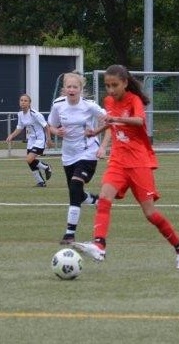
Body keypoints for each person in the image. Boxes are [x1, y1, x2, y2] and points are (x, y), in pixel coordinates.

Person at [72, 65, 179, 270]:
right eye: (107, 86)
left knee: (150, 213)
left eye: (115, 85)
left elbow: (138, 120)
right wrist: (97, 131)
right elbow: (111, 123)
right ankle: (99, 245)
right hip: (118, 161)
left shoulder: (134, 100)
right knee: (104, 199)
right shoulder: (108, 101)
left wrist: (115, 118)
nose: (110, 90)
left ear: (125, 83)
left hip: (138, 162)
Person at [47, 71, 106, 245]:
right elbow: (50, 125)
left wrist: (102, 145)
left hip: (88, 153)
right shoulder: (58, 105)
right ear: (64, 88)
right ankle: (95, 200)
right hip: (68, 155)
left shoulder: (89, 106)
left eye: (75, 87)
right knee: (76, 192)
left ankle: (69, 234)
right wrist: (56, 131)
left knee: (74, 187)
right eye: (69, 87)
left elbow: (109, 121)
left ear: (81, 89)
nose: (71, 90)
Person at [5, 94, 52, 187]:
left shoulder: (35, 114)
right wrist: (11, 136)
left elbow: (46, 126)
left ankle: (47, 167)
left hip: (40, 139)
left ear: (29, 103)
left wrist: (49, 139)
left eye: (25, 101)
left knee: (29, 159)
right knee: (29, 161)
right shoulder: (20, 114)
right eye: (21, 100)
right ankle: (41, 182)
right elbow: (20, 127)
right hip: (31, 140)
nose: (23, 102)